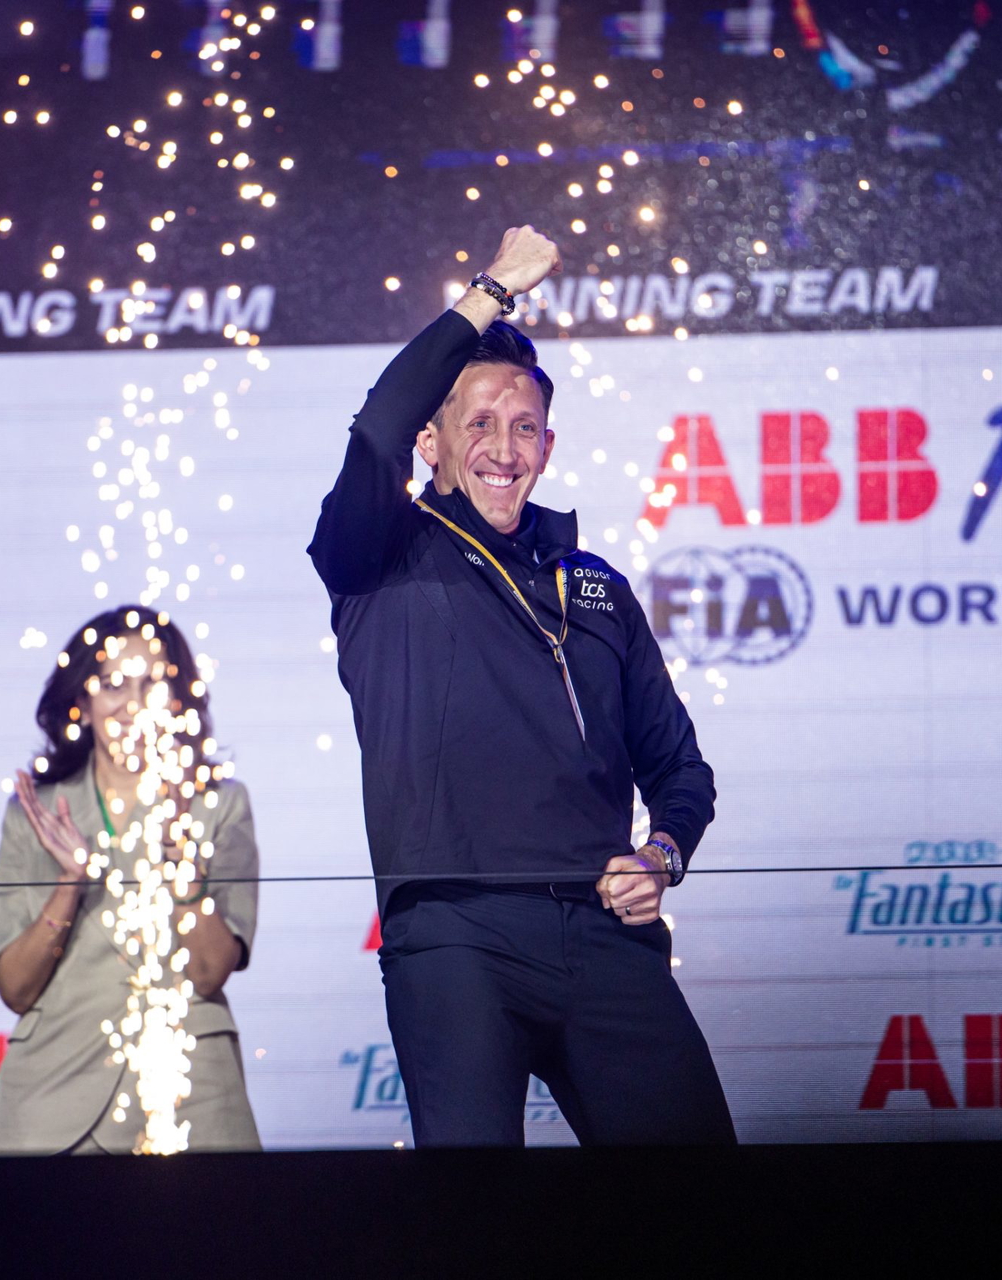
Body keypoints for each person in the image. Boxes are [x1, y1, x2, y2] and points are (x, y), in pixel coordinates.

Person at [308, 226, 735, 1148]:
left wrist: (660, 857)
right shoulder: (378, 552)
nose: (506, 449)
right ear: (431, 440)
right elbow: (375, 426)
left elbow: (681, 769)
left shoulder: (595, 587)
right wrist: (491, 290)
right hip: (455, 932)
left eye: (526, 426)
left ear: (549, 443)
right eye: (480, 423)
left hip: (602, 934)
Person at [0, 605, 261, 1154]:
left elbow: (209, 973)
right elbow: (14, 989)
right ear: (82, 702)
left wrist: (184, 870)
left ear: (179, 700)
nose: (133, 706)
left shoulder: (219, 806)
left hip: (192, 1096)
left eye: (153, 683)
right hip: (51, 1099)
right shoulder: (36, 813)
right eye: (113, 685)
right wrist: (71, 882)